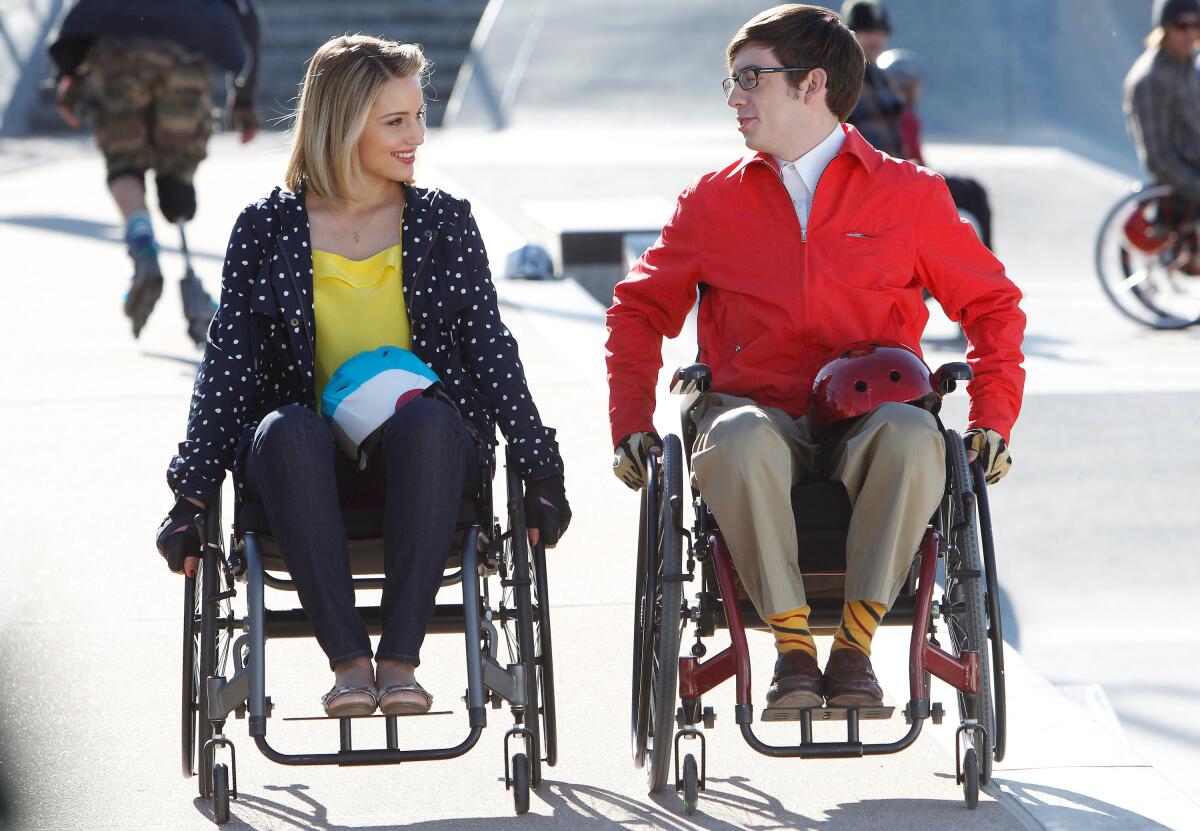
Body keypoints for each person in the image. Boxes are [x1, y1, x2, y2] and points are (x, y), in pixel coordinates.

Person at [606, 4, 1024, 710]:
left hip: (871, 413)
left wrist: (993, 416)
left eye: (750, 80)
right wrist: (630, 421)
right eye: (732, 82)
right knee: (734, 438)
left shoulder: (909, 195)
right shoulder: (711, 202)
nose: (735, 98)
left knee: (916, 437)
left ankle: (855, 651)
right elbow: (640, 309)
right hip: (752, 410)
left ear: (811, 85)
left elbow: (993, 306)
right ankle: (793, 651)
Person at [154, 35, 571, 717]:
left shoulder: (442, 222)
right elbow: (226, 367)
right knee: (286, 428)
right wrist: (192, 495)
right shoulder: (265, 228)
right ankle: (350, 665)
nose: (417, 137)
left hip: (424, 458)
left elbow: (491, 349)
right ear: (345, 124)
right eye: (396, 122)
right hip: (302, 467)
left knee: (433, 418)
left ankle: (400, 662)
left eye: (418, 116)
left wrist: (540, 468)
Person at [47, 0, 262, 343]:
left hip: (117, 49)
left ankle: (141, 238)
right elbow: (246, 19)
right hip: (184, 51)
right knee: (175, 177)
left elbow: (78, 12)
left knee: (124, 163)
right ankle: (193, 287)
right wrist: (244, 95)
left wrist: (68, 73)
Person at [1125, 0, 1200, 207]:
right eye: (1181, 25)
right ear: (1164, 28)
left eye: (1196, 25)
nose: (1190, 34)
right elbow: (1158, 158)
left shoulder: (1188, 66)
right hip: (1183, 191)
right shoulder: (1150, 79)